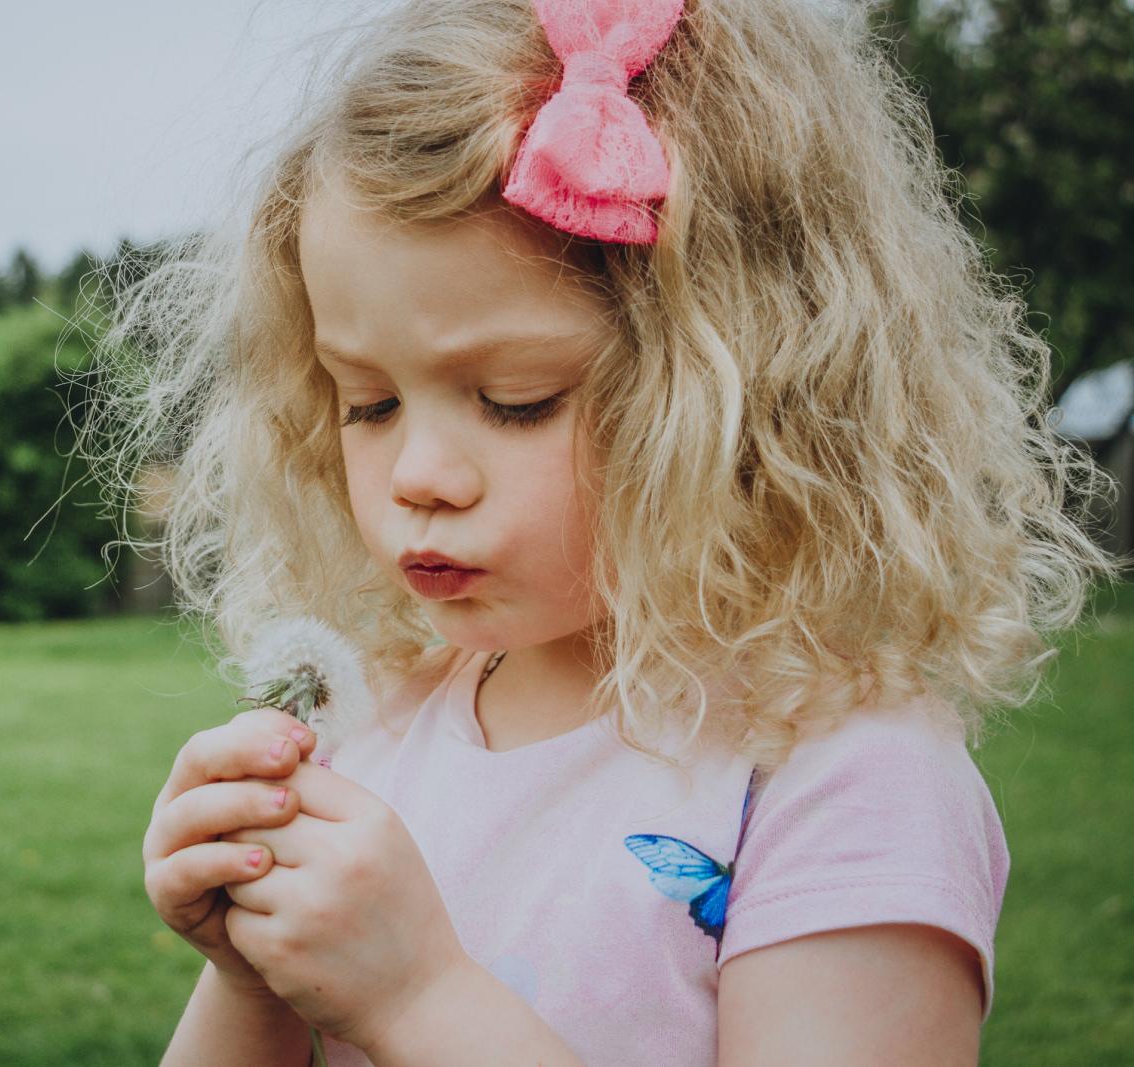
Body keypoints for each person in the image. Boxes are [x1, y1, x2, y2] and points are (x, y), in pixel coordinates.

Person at [79, 0, 1119, 1062]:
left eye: (517, 399)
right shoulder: (374, 734)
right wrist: (252, 975)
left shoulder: (843, 783)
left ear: (749, 392)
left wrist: (414, 997)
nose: (418, 476)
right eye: (367, 402)